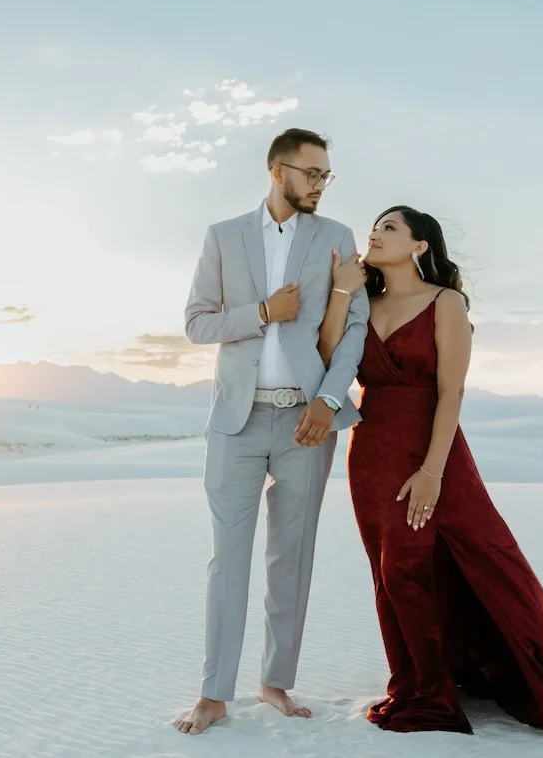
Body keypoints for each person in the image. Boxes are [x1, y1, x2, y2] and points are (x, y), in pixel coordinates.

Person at [319, 205, 543, 735]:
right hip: (370, 452)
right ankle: (416, 679)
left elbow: (450, 390)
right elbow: (329, 359)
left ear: (420, 246)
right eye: (374, 225)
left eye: (389, 227)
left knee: (419, 567)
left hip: (430, 451)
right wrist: (342, 293)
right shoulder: (361, 304)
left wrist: (433, 471)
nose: (376, 233)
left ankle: (434, 693)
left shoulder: (445, 302)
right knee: (389, 572)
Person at [174, 128, 370, 734]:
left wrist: (329, 400)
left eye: (326, 175)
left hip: (308, 422)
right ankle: (214, 693)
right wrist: (262, 313)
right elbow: (197, 324)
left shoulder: (337, 239)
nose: (320, 184)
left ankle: (275, 682)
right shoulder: (223, 236)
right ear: (276, 170)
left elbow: (354, 328)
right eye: (312, 173)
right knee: (226, 560)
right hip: (235, 421)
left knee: (293, 557)